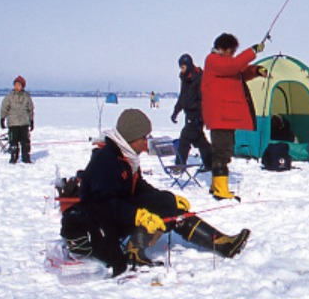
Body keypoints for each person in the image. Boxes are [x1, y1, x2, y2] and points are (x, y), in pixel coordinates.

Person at [59, 109, 250, 276]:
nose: (145, 144)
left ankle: (222, 243)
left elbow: (138, 186)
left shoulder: (125, 156)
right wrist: (139, 216)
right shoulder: (107, 161)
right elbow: (104, 203)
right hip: (101, 223)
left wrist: (168, 198)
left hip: (116, 212)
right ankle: (136, 251)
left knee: (167, 205)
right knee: (163, 211)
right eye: (143, 138)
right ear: (131, 137)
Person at [202, 33, 267, 200]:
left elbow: (240, 70)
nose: (233, 54)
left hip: (225, 116)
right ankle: (220, 189)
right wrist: (252, 51)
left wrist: (256, 70)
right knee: (222, 151)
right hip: (220, 116)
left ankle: (217, 185)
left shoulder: (224, 63)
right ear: (222, 49)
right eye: (231, 51)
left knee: (224, 150)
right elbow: (233, 66)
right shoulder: (213, 60)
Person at [171, 54, 212, 168]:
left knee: (185, 139)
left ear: (189, 65)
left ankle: (179, 165)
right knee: (200, 141)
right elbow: (182, 96)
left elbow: (203, 98)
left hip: (197, 115)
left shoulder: (199, 78)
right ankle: (211, 163)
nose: (181, 69)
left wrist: (200, 116)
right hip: (188, 114)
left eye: (183, 67)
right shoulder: (184, 78)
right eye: (181, 67)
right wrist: (176, 111)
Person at [0, 75, 35, 164]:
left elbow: (30, 109)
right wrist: (2, 118)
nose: (17, 87)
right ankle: (13, 158)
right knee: (13, 142)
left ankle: (26, 158)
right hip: (13, 123)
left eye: (19, 85)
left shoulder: (26, 97)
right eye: (15, 85)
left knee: (25, 142)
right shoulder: (9, 97)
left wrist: (31, 120)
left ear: (22, 86)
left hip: (24, 123)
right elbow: (4, 108)